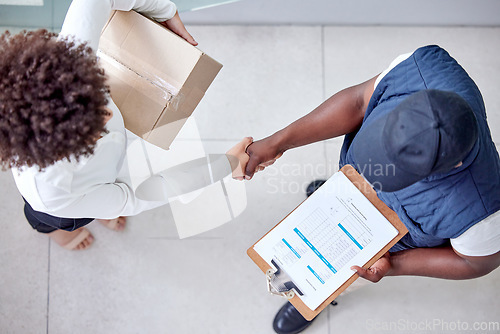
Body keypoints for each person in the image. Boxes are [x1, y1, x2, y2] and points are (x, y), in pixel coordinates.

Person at [236, 45, 500, 334]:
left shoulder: (483, 212)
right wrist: (277, 142)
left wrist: (394, 265)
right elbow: (359, 102)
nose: (374, 176)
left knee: (338, 275)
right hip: (346, 193)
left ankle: (318, 296)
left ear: (453, 165)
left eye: (396, 173)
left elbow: (475, 264)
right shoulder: (422, 67)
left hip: (383, 244)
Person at [0, 0, 200, 250]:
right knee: (45, 217)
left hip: (98, 175)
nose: (108, 113)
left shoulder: (68, 65)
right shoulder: (51, 193)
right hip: (62, 209)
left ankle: (101, 204)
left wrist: (165, 11)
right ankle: (54, 231)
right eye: (94, 125)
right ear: (64, 149)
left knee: (104, 192)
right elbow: (132, 197)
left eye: (95, 97)